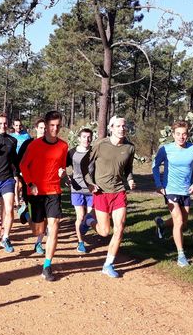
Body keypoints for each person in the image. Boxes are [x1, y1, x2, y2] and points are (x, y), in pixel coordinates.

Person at [81, 116, 136, 278]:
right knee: (104, 232)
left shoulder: (129, 147)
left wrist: (130, 179)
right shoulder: (100, 144)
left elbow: (128, 169)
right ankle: (89, 221)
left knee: (120, 227)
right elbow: (85, 165)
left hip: (119, 191)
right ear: (111, 128)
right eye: (118, 126)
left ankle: (108, 264)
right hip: (101, 193)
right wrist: (90, 184)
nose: (122, 128)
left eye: (124, 126)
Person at [20, 111, 68, 281]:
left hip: (54, 191)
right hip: (35, 191)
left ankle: (47, 265)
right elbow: (23, 165)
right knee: (38, 230)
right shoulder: (34, 145)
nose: (54, 129)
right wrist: (30, 184)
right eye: (51, 126)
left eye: (57, 126)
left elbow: (61, 167)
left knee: (54, 225)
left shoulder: (63, 146)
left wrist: (62, 173)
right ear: (46, 127)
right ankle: (25, 213)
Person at [152, 120, 193, 267]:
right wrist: (158, 184)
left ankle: (161, 224)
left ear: (188, 135)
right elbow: (155, 166)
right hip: (170, 189)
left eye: (184, 134)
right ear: (173, 135)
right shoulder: (165, 149)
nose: (181, 137)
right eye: (178, 134)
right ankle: (181, 256)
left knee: (184, 223)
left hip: (185, 190)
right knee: (179, 221)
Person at [0, 113, 18, 254]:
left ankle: (5, 237)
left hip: (7, 179)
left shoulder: (12, 141)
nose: (3, 126)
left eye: (5, 123)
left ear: (8, 124)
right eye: (0, 123)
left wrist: (16, 175)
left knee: (10, 209)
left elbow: (14, 161)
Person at [17, 118, 46, 254]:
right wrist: (22, 174)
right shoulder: (29, 144)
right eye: (41, 128)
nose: (44, 131)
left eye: (46, 128)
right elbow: (19, 161)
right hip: (31, 185)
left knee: (46, 216)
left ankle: (39, 243)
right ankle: (26, 214)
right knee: (36, 224)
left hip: (48, 185)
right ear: (36, 129)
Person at [66, 128, 94, 254]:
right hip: (76, 188)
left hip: (92, 189)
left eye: (89, 137)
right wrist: (65, 177)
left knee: (90, 217)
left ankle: (82, 229)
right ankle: (80, 242)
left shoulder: (94, 152)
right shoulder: (72, 152)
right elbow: (62, 165)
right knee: (81, 216)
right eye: (84, 137)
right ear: (79, 138)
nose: (86, 140)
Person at [10, 118, 31, 206]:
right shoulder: (11, 136)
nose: (18, 127)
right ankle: (17, 200)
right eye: (16, 125)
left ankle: (24, 198)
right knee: (16, 181)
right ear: (13, 126)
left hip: (24, 161)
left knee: (24, 182)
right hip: (15, 161)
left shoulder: (26, 135)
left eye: (20, 125)